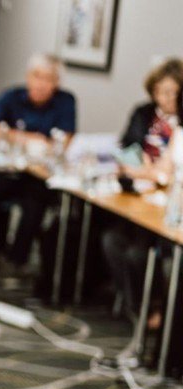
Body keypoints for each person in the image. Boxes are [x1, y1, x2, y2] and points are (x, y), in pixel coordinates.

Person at [0, 53, 76, 279]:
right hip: (7, 171)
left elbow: (65, 142)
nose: (41, 84)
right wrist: (25, 138)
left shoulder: (65, 102)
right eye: (36, 76)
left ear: (57, 83)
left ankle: (17, 259)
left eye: (48, 79)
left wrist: (16, 138)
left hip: (38, 176)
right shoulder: (12, 97)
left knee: (35, 201)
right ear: (28, 77)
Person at [102, 58, 182, 331]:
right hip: (139, 198)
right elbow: (129, 151)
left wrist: (152, 173)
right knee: (112, 239)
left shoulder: (179, 129)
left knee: (139, 252)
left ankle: (154, 309)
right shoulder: (145, 114)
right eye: (161, 91)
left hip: (169, 208)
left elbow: (166, 172)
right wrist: (143, 171)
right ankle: (135, 306)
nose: (167, 98)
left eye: (173, 92)